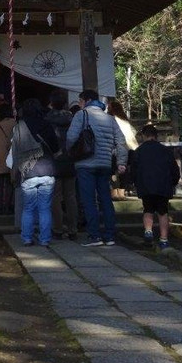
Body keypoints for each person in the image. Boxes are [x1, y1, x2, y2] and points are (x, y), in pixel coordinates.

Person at [67, 89, 129, 247]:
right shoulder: (110, 119)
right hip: (105, 164)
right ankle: (109, 235)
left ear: (85, 101)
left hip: (85, 164)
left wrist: (72, 153)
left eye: (80, 101)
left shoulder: (81, 115)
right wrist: (121, 162)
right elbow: (121, 141)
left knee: (89, 201)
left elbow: (71, 137)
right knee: (106, 200)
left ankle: (94, 235)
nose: (79, 104)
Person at [10, 98, 58, 246]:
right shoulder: (47, 125)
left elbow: (15, 152)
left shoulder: (19, 127)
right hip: (47, 169)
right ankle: (45, 239)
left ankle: (27, 238)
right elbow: (55, 147)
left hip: (28, 170)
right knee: (45, 208)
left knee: (28, 208)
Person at [129, 123, 181, 249]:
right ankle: (164, 239)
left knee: (148, 210)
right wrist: (172, 183)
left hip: (146, 185)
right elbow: (175, 170)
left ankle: (148, 231)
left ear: (143, 136)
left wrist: (136, 183)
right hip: (163, 185)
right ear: (156, 136)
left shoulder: (138, 151)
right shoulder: (166, 151)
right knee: (163, 212)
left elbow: (133, 171)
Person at [45, 88, 78, 240]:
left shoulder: (47, 119)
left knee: (55, 197)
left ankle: (58, 228)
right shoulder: (73, 118)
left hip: (54, 160)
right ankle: (73, 228)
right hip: (70, 158)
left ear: (51, 103)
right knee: (71, 196)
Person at [107, 99, 139, 200]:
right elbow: (133, 132)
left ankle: (114, 193)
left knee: (112, 171)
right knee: (124, 171)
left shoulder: (111, 120)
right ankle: (122, 192)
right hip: (131, 148)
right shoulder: (125, 120)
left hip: (118, 148)